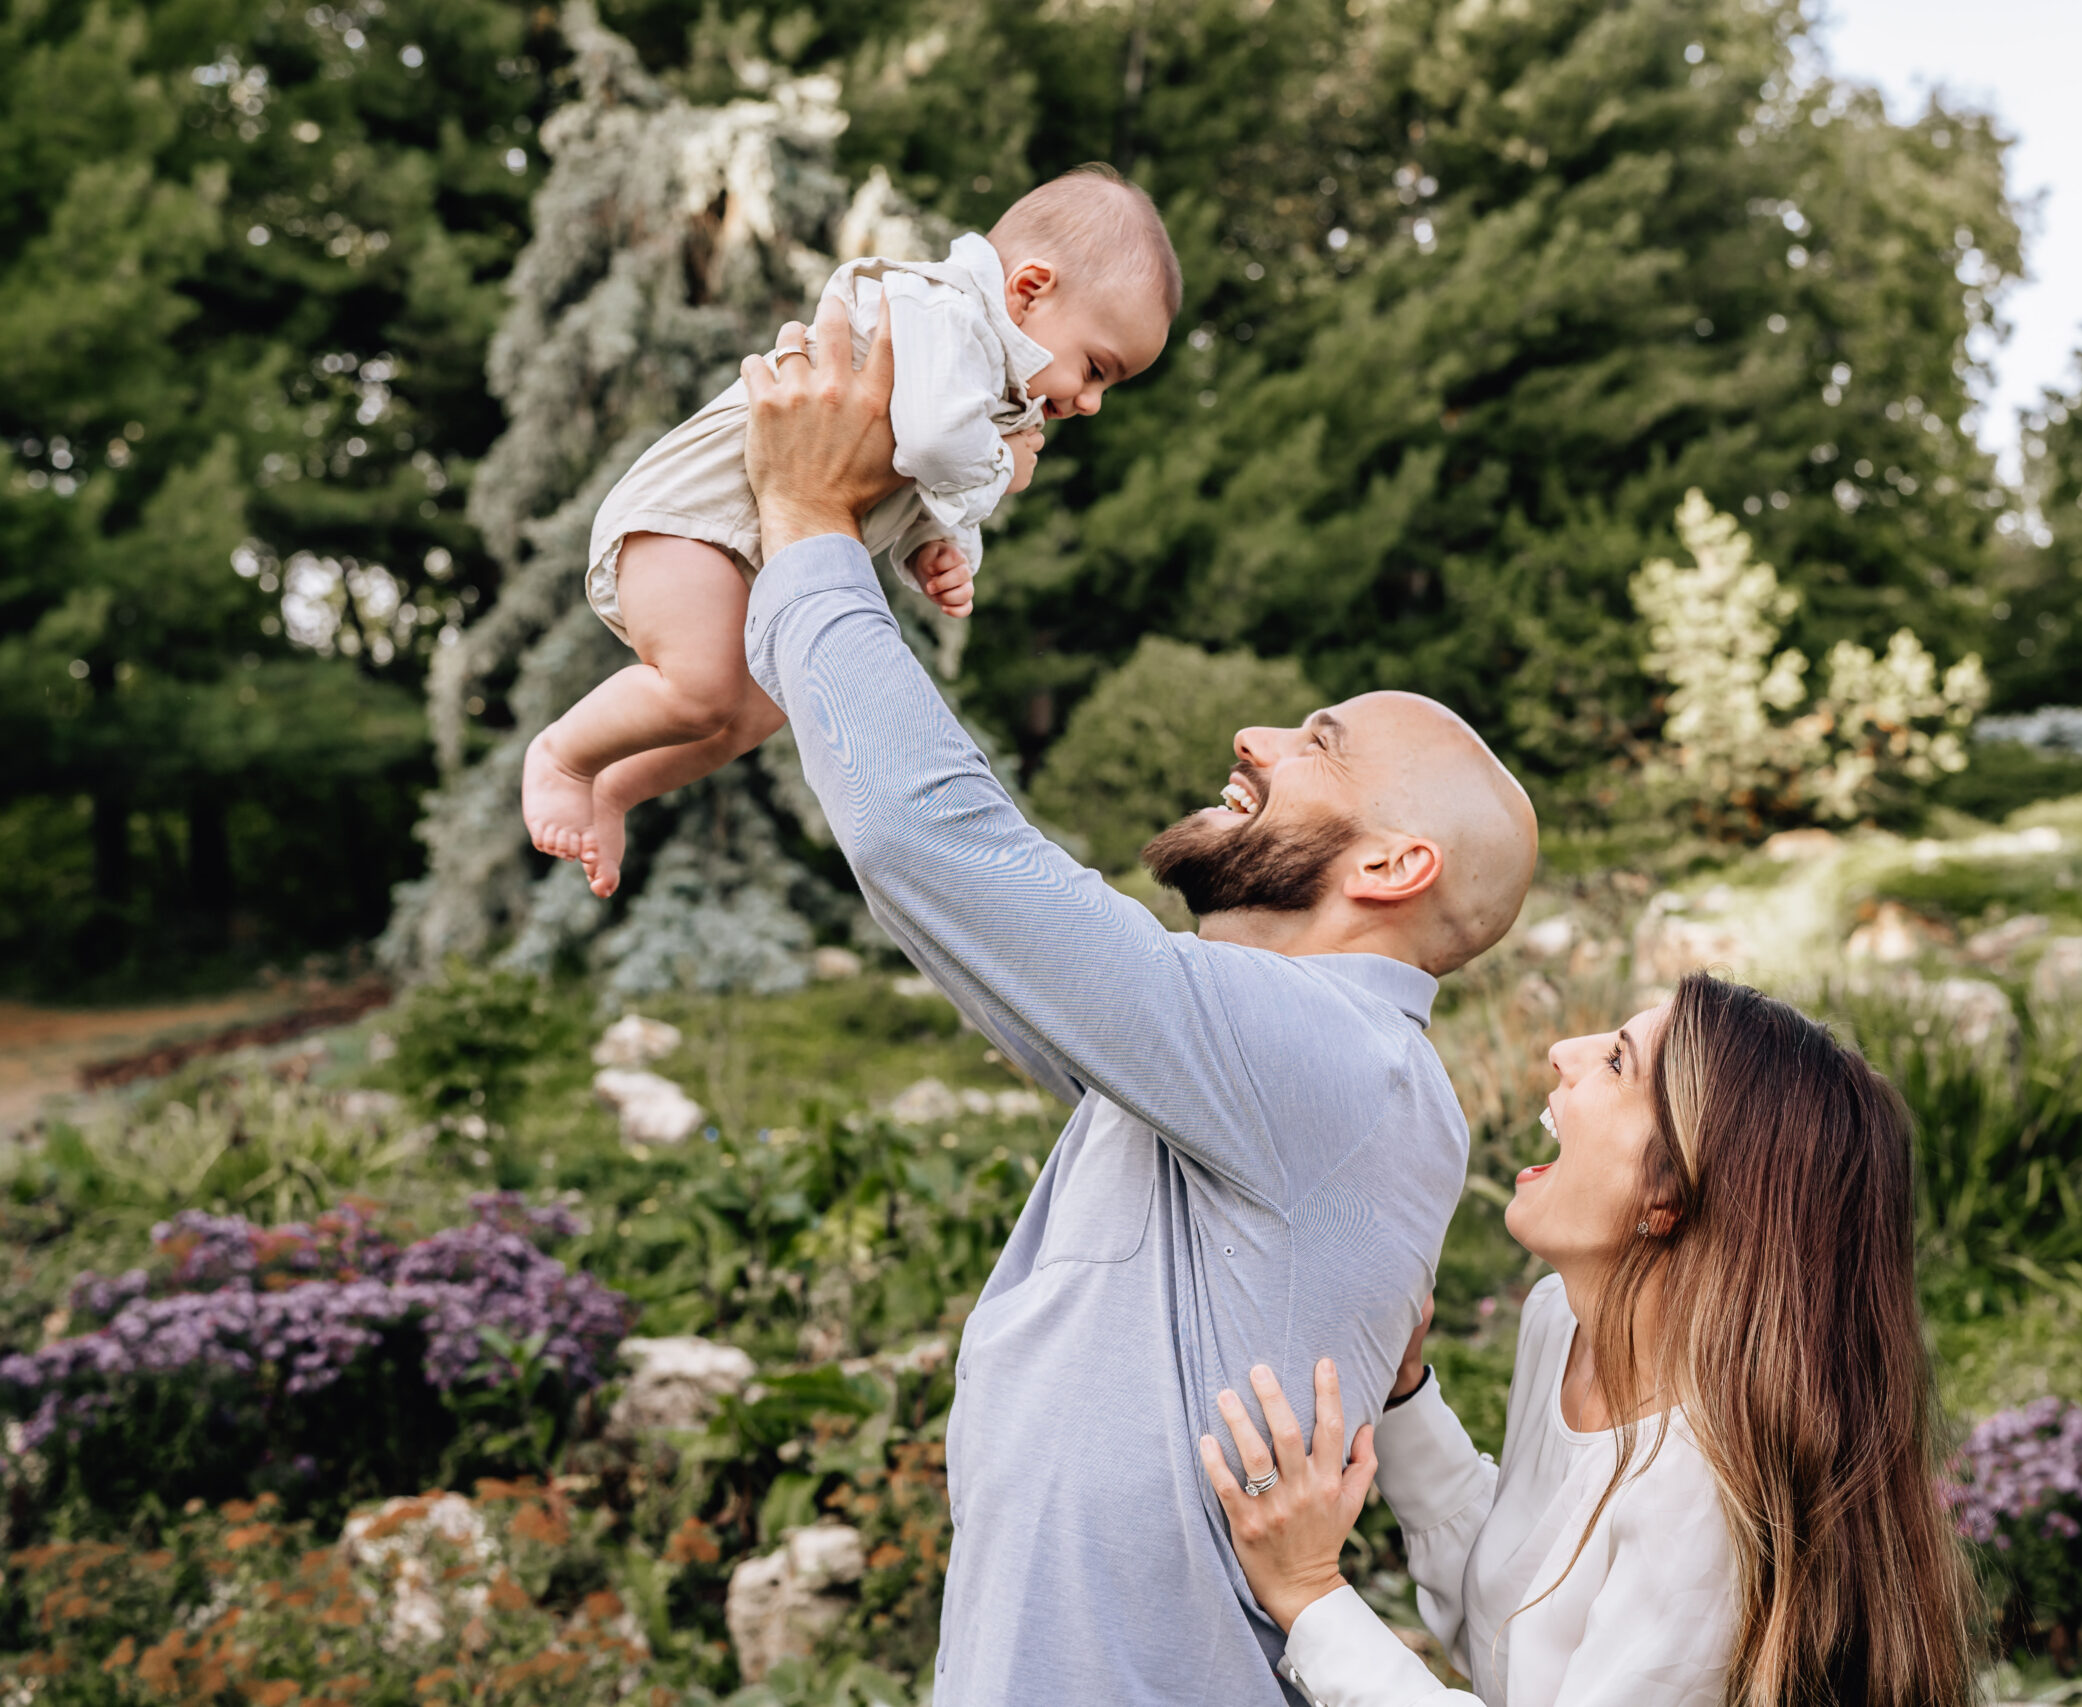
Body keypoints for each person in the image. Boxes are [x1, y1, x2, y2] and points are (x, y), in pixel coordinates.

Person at [730, 289, 1543, 1705]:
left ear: (1397, 861)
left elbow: (938, 846)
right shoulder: (1218, 1072)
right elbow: (976, 922)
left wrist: (809, 530)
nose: (1256, 733)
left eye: (1319, 739)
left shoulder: (1328, 1061)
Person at [1199, 973, 1980, 1707]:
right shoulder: (1563, 1325)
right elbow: (1516, 1635)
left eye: (1616, 1061)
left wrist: (1309, 1595)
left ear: (1669, 1191)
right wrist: (1404, 1397)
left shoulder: (1705, 1494)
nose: (1564, 1053)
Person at [523, 165, 1181, 900]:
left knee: (757, 712)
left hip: (758, 544)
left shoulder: (990, 388)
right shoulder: (944, 312)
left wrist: (940, 549)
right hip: (693, 520)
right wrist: (1005, 466)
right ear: (1029, 289)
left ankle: (614, 788)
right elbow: (930, 445)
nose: (1090, 403)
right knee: (704, 687)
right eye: (1096, 369)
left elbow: (904, 479)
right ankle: (562, 757)